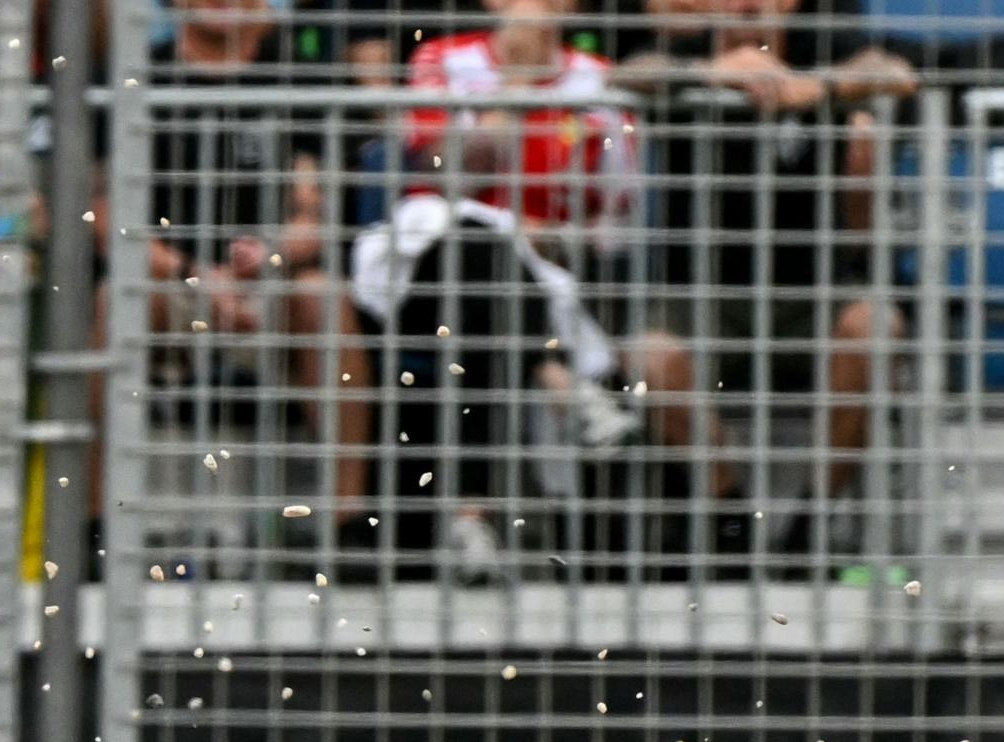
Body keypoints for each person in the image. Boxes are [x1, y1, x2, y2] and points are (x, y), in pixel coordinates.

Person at [356, 0, 649, 580]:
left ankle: (471, 520)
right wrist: (514, 86)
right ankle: (560, 380)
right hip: (427, 272)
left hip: (529, 280)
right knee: (472, 241)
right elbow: (444, 172)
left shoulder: (598, 80)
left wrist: (558, 238)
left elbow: (618, 221)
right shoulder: (441, 59)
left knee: (488, 292)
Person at [611, 0, 917, 550]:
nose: (749, 5)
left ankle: (813, 522)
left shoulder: (823, 44)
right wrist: (705, 75)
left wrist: (818, 86)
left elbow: (894, 73)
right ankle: (728, 510)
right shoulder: (689, 49)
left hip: (813, 287)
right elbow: (628, 72)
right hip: (703, 292)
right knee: (646, 356)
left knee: (876, 327)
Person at [139, 0, 376, 562]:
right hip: (169, 282)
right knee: (108, 303)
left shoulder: (302, 72)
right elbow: (104, 220)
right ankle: (93, 530)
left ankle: (348, 526)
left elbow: (317, 213)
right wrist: (197, 276)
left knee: (323, 296)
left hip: (274, 285)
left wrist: (269, 255)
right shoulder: (138, 73)